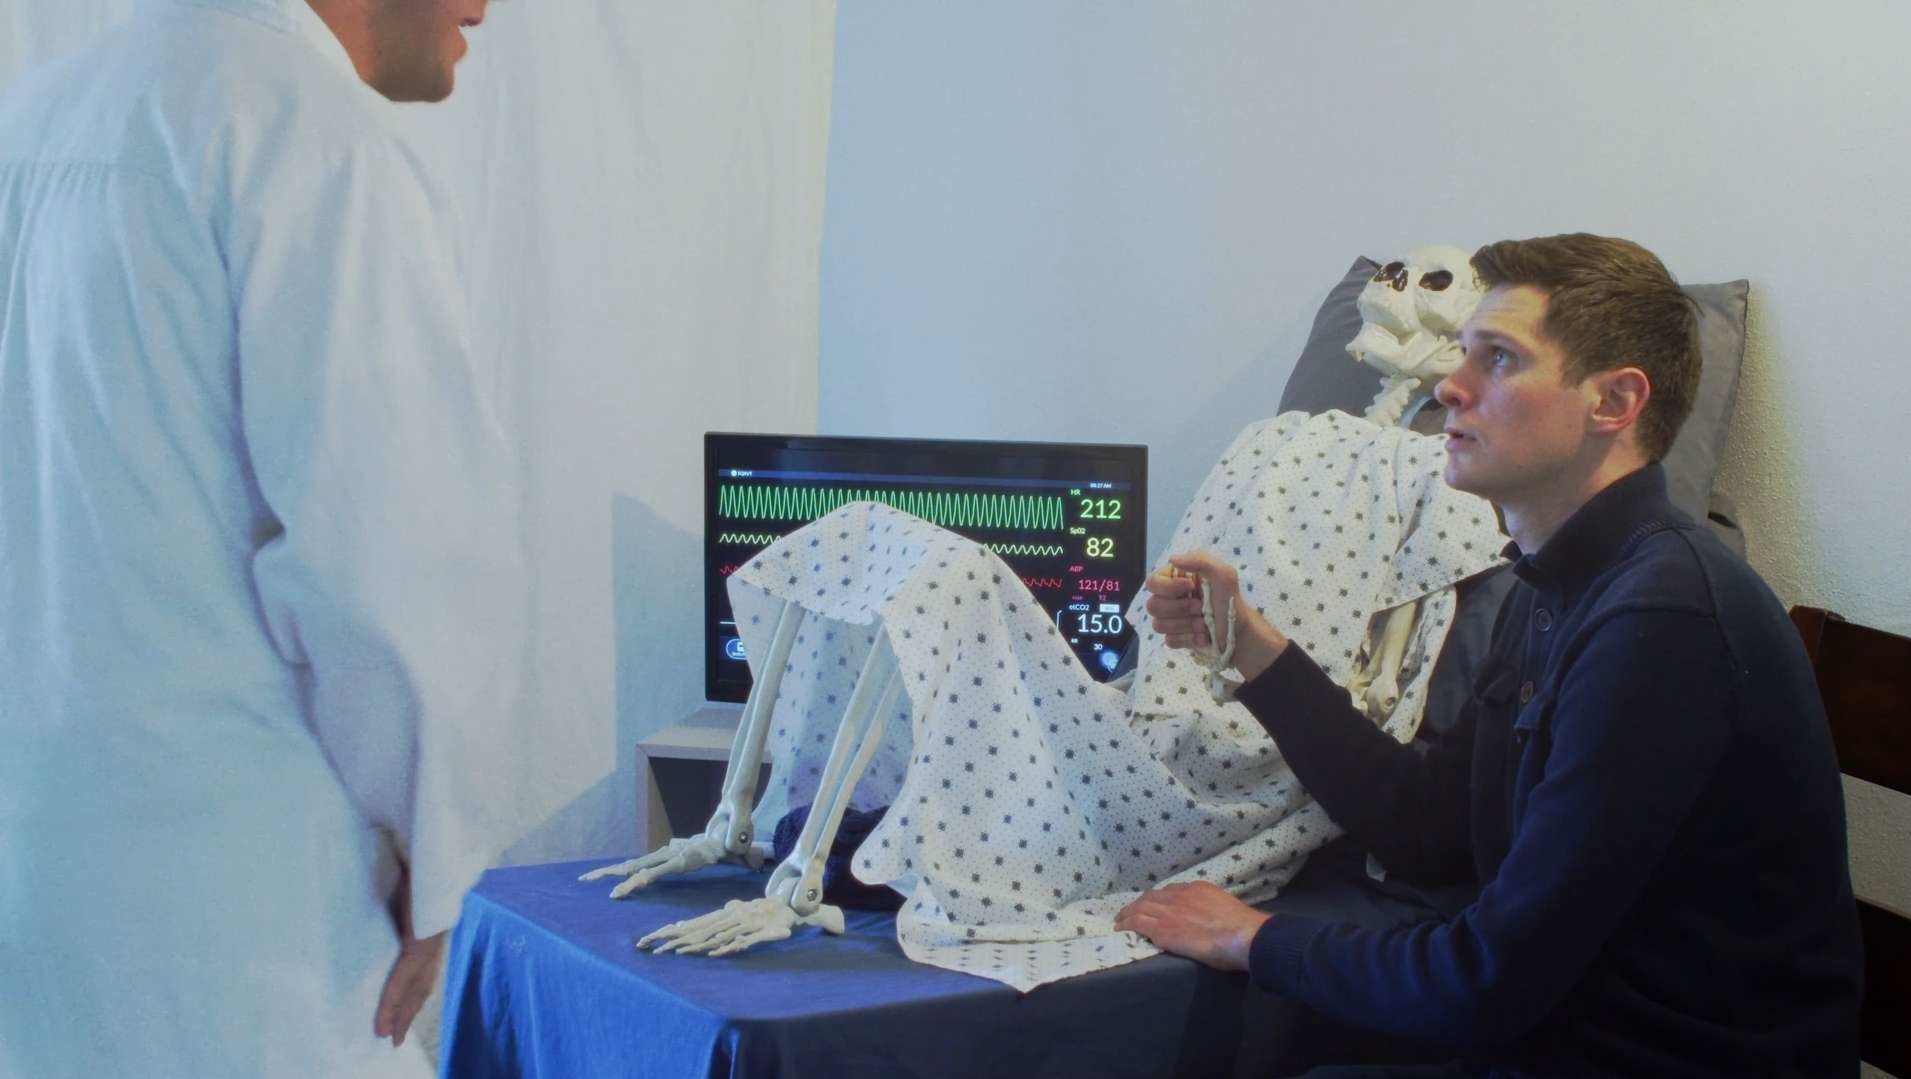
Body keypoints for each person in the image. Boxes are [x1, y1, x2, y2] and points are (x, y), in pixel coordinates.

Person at [1116, 234, 1862, 1077]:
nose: (1449, 385)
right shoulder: (1554, 581)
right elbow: (1428, 825)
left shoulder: (1662, 619)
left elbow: (1486, 978)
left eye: (1498, 358)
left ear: (1613, 400)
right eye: (1463, 351)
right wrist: (1249, 648)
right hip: (1562, 1026)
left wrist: (1253, 937)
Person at [0, 1, 547, 1075]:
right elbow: (393, 576)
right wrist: (445, 869)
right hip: (248, 936)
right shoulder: (310, 141)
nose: (485, 5)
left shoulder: (35, 124)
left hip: (39, 907)